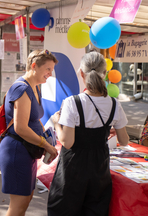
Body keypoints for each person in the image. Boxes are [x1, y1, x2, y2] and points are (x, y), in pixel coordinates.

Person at [47, 51, 129, 216]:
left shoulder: (72, 102)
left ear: (82, 74)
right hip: (99, 169)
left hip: (72, 169)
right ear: (104, 74)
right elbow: (124, 140)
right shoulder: (114, 103)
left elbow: (67, 142)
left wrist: (56, 123)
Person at [0, 49, 59, 216]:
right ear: (34, 66)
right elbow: (21, 128)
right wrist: (47, 145)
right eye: (48, 69)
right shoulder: (22, 88)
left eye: (51, 70)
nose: (50, 74)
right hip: (17, 151)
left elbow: (34, 119)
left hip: (27, 150)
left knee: (25, 200)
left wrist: (47, 135)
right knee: (18, 205)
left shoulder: (35, 87)